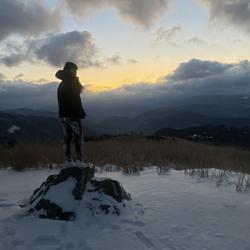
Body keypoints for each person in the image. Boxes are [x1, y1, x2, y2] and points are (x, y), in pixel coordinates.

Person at [56, 62, 86, 167]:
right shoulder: (72, 81)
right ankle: (80, 162)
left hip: (63, 116)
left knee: (67, 139)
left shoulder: (62, 82)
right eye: (75, 70)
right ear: (71, 70)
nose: (76, 72)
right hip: (74, 115)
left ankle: (68, 161)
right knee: (78, 138)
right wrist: (81, 113)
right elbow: (76, 97)